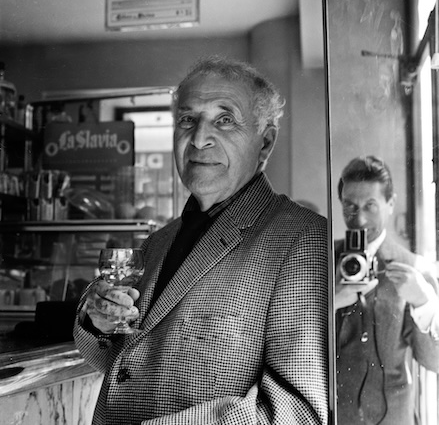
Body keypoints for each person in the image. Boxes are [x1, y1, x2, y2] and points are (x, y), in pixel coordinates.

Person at [74, 56, 329, 425]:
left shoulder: (300, 239)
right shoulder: (158, 242)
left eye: (225, 120)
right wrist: (98, 322)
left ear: (265, 142)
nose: (198, 138)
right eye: (187, 119)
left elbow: (297, 413)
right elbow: (121, 365)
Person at [335, 155, 439, 425]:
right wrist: (331, 301)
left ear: (390, 204)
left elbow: (434, 362)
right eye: (350, 206)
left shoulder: (415, 269)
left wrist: (423, 303)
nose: (359, 218)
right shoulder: (321, 260)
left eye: (370, 205)